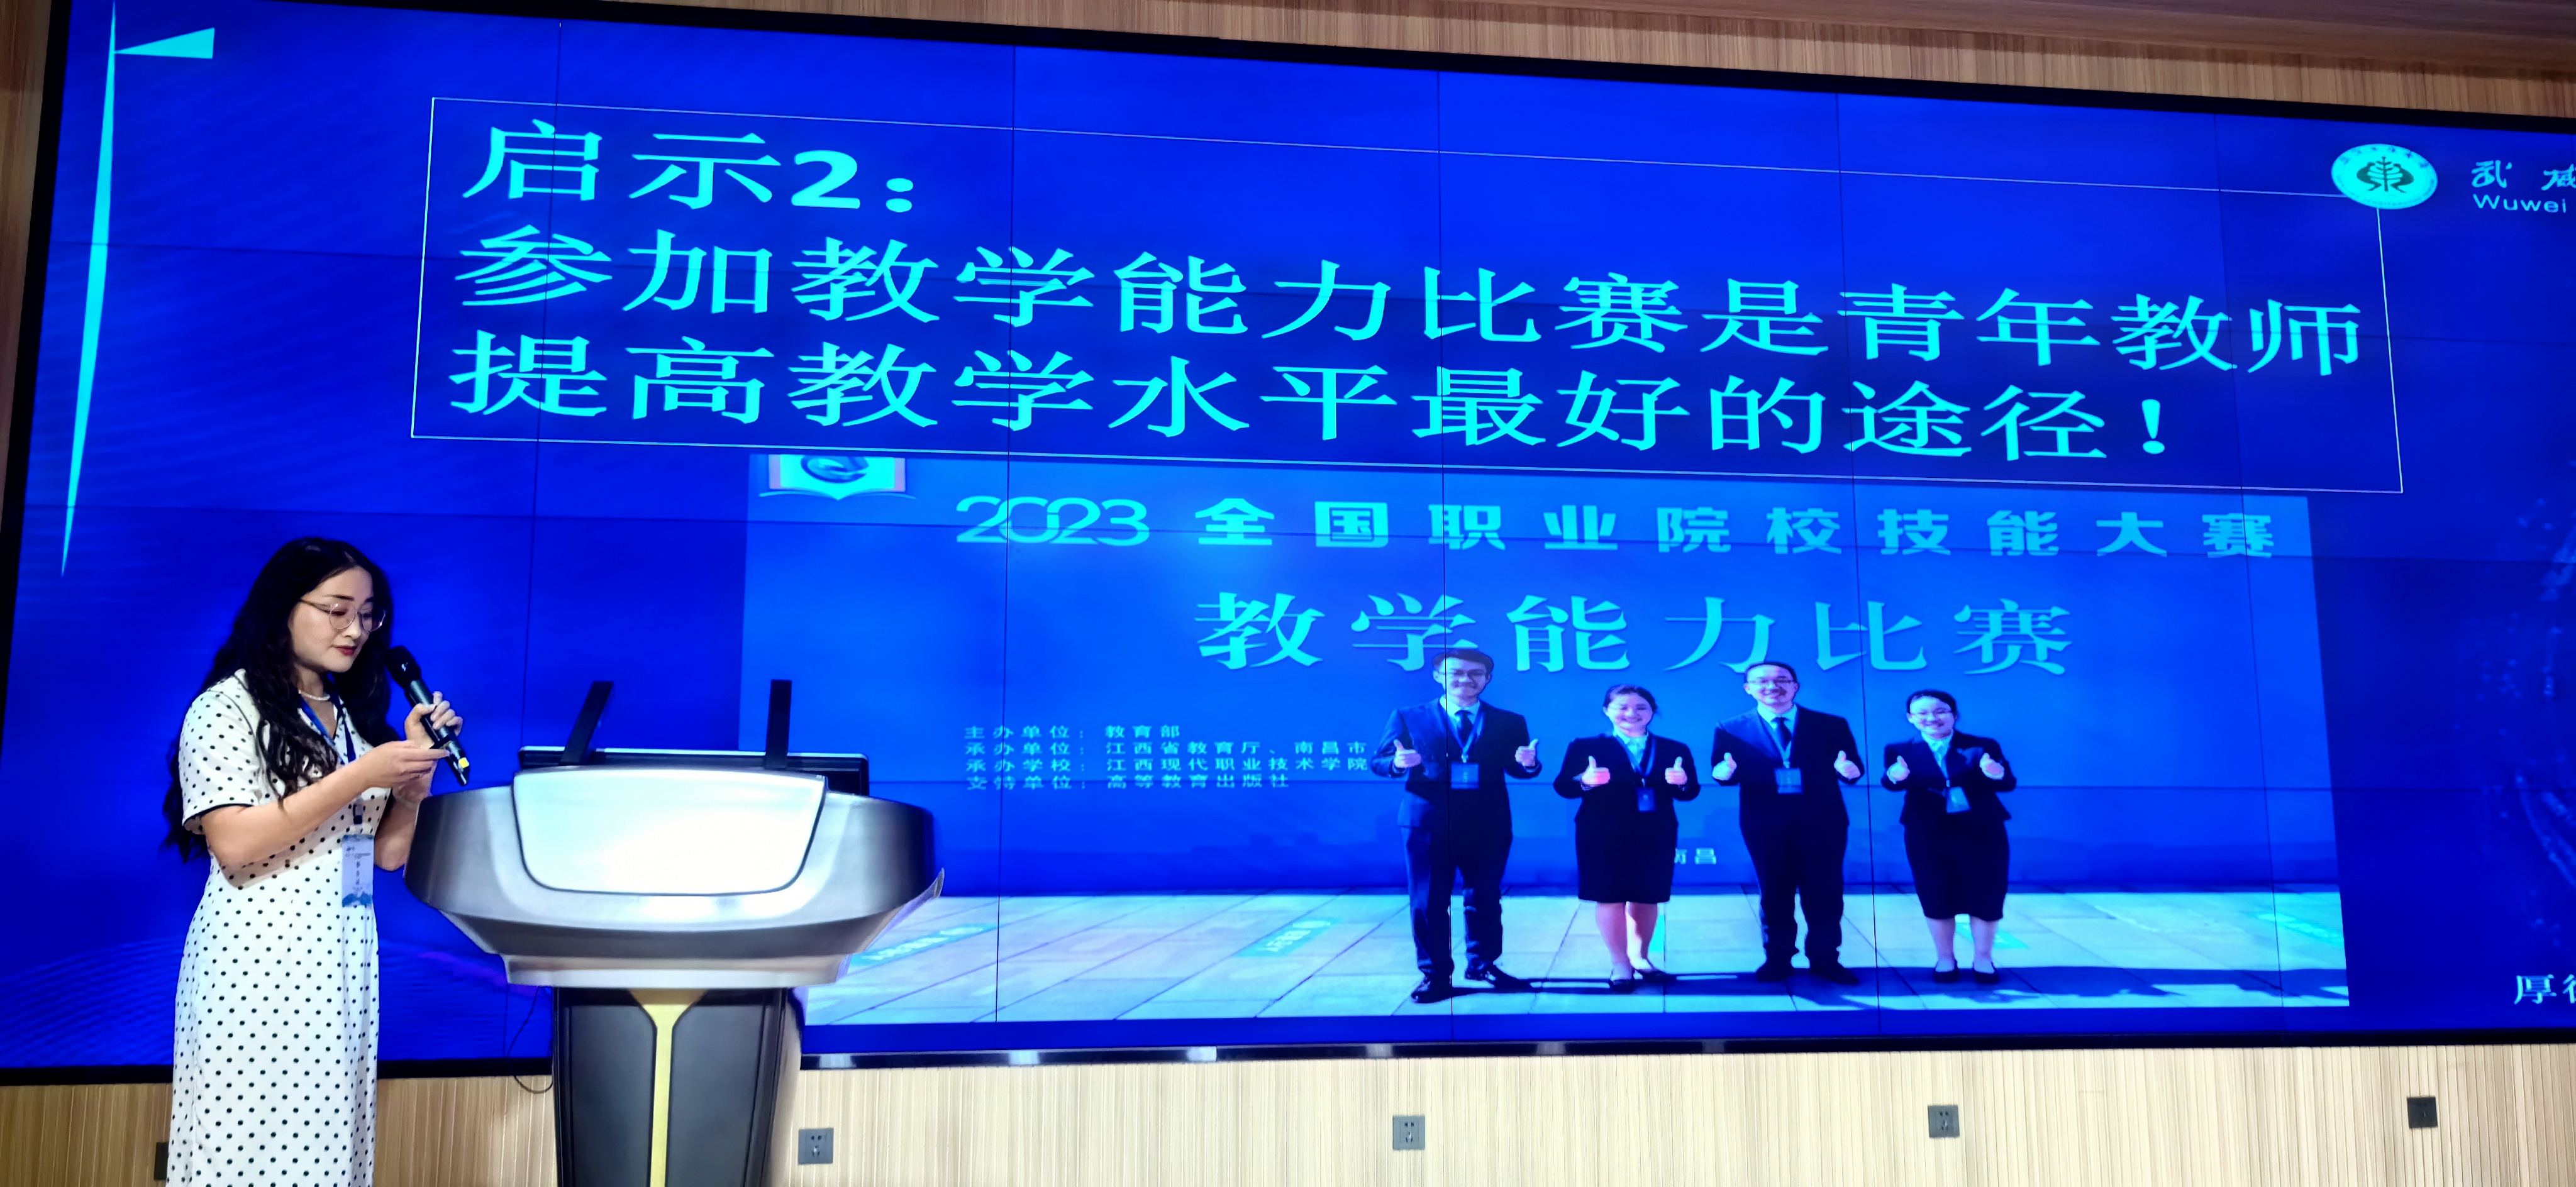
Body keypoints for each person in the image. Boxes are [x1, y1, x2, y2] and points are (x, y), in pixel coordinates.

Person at [160, 539, 462, 1186]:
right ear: (283, 607)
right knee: (244, 1153)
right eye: (336, 610)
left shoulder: (350, 716)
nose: (355, 629)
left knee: (326, 1155)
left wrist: (411, 783)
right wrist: (361, 774)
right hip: (258, 967)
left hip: (342, 963)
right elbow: (234, 843)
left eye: (369, 615)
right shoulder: (225, 707)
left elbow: (387, 856)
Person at [1368, 648, 1542, 1003]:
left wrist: (1529, 764)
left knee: (1485, 896)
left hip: (1488, 822)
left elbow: (1520, 768)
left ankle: (1483, 964)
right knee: (1428, 900)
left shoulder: (1509, 721)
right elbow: (1379, 761)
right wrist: (1397, 764)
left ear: (1488, 679)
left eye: (1475, 673)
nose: (1466, 679)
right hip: (1427, 822)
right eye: (1456, 673)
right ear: (1438, 677)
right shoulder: (1408, 717)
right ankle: (1434, 974)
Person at [1709, 661, 1865, 985]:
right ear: (1748, 688)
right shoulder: (1730, 728)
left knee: (1825, 891)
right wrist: (1724, 774)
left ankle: (1825, 958)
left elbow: (1851, 767)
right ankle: (1778, 958)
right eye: (1762, 681)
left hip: (1823, 820)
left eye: (1782, 680)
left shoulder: (1831, 724)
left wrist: (1850, 771)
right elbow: (1723, 771)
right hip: (1764, 822)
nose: (1772, 687)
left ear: (1796, 686)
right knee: (1774, 891)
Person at [1553, 685, 1701, 993]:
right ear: (1606, 711)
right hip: (1601, 832)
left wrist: (1683, 782)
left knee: (1648, 896)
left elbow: (1690, 793)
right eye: (1622, 707)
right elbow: (1564, 786)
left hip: (1655, 831)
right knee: (1609, 896)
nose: (1631, 713)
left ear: (1653, 712)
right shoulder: (1585, 746)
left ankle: (1641, 958)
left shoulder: (1674, 748)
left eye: (1641, 707)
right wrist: (1584, 781)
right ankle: (1620, 963)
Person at [1880, 689, 2018, 986]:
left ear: (1954, 715)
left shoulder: (1981, 746)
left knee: (1987, 891)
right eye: (1923, 713)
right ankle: (1945, 958)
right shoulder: (1900, 749)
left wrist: (1995, 773)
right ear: (1911, 718)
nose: (1932, 718)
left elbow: (2007, 783)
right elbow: (1891, 782)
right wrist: (1894, 776)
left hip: (1982, 830)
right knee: (1935, 891)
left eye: (1941, 711)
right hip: (1927, 832)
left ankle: (1983, 959)